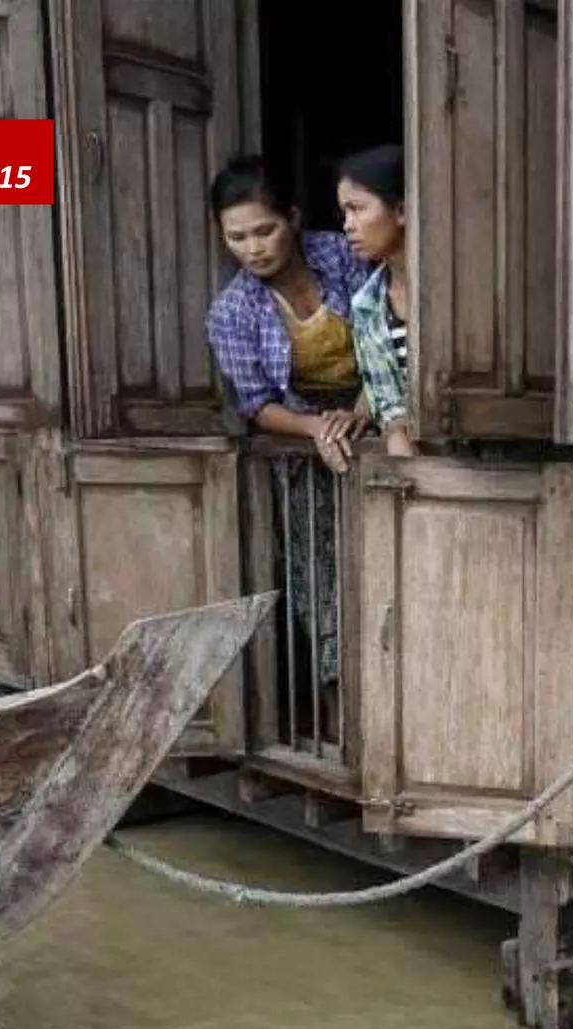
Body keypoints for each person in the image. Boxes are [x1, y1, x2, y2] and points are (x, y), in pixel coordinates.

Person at [204, 156, 370, 730]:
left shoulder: (344, 254)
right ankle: (339, 721)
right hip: (305, 451)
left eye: (265, 230)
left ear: (293, 219)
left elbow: (395, 320)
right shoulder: (231, 311)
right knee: (319, 583)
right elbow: (254, 404)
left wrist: (364, 412)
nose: (253, 248)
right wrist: (318, 428)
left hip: (379, 414)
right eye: (237, 237)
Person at [339, 145, 420, 456]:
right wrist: (396, 430)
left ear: (400, 210)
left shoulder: (459, 291)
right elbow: (389, 406)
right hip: (415, 461)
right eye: (344, 212)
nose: (347, 224)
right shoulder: (367, 304)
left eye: (357, 209)